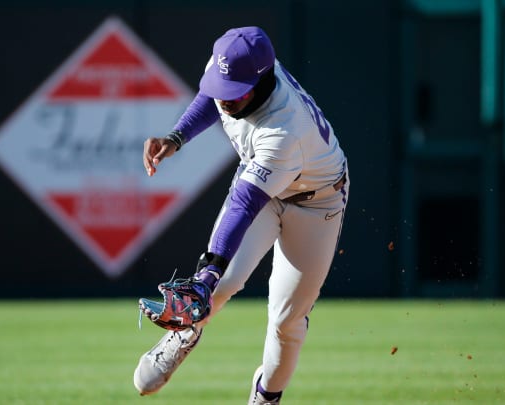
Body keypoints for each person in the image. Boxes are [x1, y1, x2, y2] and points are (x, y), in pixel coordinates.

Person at [135, 26, 348, 404]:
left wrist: (205, 275)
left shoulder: (285, 129)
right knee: (219, 285)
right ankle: (187, 331)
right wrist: (176, 137)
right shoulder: (233, 68)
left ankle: (265, 397)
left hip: (316, 204)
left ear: (263, 81)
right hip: (266, 184)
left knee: (286, 322)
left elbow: (244, 204)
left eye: (235, 92)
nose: (226, 99)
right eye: (223, 86)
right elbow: (210, 97)